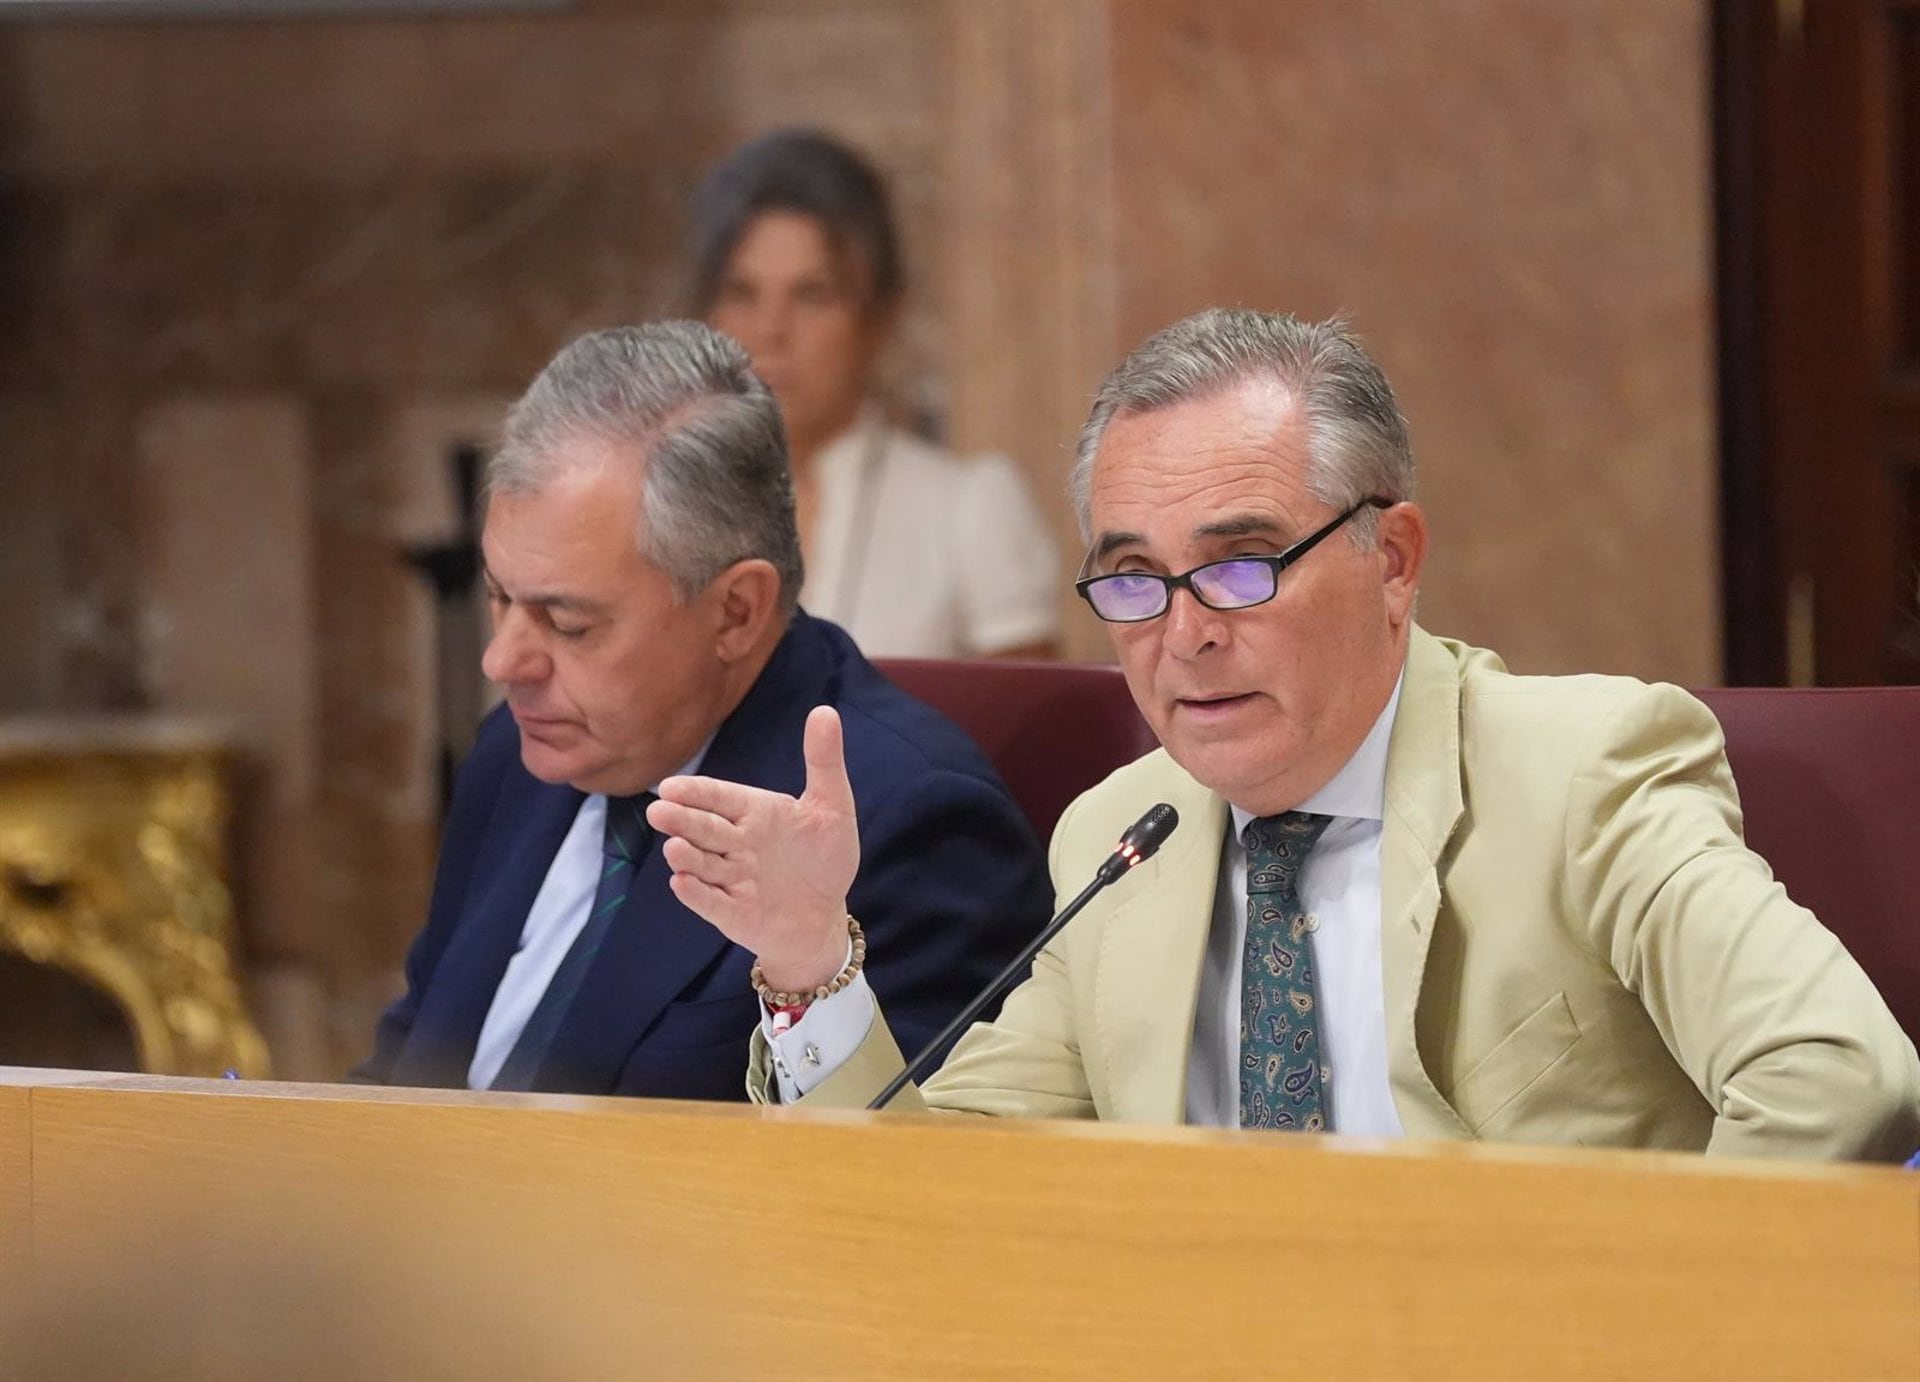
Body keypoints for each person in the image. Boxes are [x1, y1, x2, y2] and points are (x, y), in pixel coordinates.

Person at [648, 308, 1920, 1158]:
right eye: (1133, 578)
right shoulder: (1121, 839)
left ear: (1394, 559)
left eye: (1244, 566)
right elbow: (936, 1195)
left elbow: (1838, 1073)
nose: (1184, 633)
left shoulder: (1585, 769)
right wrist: (813, 961)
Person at [354, 322, 1049, 1098]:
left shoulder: (906, 825)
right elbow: (408, 1068)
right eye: (498, 597)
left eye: (568, 623)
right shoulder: (517, 753)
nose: (502, 662)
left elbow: (890, 1183)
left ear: (736, 612)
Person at [689, 128, 1060, 658]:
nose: (771, 328)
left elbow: (1032, 737)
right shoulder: (660, 508)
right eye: (741, 293)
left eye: (811, 294)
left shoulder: (966, 509)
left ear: (881, 316)